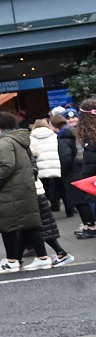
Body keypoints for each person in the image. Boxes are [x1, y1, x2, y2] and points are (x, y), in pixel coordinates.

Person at [0, 111, 53, 273]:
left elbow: (6, 165)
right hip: (23, 188)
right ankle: (42, 258)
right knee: (28, 224)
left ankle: (12, 261)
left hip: (9, 190)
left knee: (6, 225)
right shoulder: (18, 140)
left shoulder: (4, 142)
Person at [70, 99, 96, 238]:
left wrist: (84, 175)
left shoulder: (88, 135)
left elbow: (89, 160)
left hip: (91, 175)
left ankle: (92, 226)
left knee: (91, 200)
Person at [30, 117, 64, 211]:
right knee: (61, 187)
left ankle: (49, 206)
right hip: (55, 165)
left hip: (41, 167)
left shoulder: (31, 138)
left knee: (44, 187)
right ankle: (69, 209)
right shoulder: (54, 135)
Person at [53, 112, 79, 217]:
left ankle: (89, 225)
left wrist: (64, 172)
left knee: (81, 200)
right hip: (80, 167)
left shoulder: (63, 136)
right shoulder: (74, 132)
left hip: (73, 171)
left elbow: (66, 157)